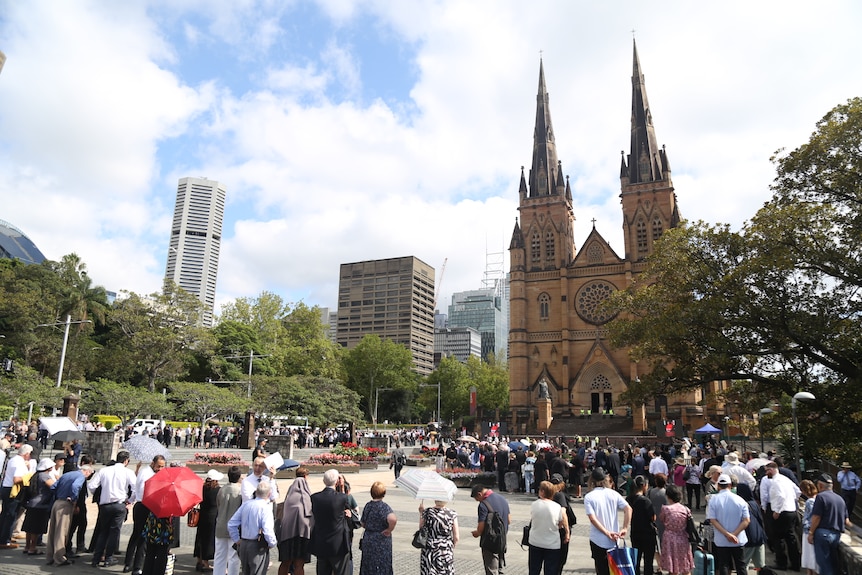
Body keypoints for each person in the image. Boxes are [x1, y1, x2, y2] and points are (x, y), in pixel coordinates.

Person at [87, 449, 137, 568]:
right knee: (114, 532)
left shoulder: (104, 470)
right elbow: (136, 488)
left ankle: (96, 558)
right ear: (126, 461)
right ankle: (109, 557)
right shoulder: (128, 472)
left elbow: (92, 485)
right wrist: (130, 501)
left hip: (105, 504)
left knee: (103, 531)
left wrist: (101, 495)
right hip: (119, 503)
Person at [584, 467, 631, 575]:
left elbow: (592, 519)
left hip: (598, 539)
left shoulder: (589, 497)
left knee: (601, 569)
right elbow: (628, 509)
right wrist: (624, 527)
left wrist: (606, 532)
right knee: (615, 571)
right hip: (614, 539)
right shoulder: (613, 493)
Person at [125, 455, 166, 575]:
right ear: (153, 463)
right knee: (142, 537)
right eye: (159, 466)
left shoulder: (147, 472)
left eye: (162, 467)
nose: (160, 469)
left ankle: (129, 563)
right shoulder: (147, 473)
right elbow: (144, 491)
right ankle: (137, 567)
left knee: (137, 535)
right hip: (144, 506)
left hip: (142, 505)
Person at [46, 464, 92, 566]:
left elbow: (53, 487)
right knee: (61, 532)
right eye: (89, 475)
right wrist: (74, 500)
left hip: (56, 502)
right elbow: (75, 486)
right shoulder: (80, 477)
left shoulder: (66, 475)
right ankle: (60, 558)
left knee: (53, 531)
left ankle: (50, 557)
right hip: (65, 504)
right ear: (87, 472)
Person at [228, 480, 277, 575]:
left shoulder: (246, 504)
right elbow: (267, 530)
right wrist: (272, 543)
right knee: (258, 571)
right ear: (269, 493)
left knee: (246, 571)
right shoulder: (265, 508)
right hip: (257, 545)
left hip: (244, 543)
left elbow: (231, 524)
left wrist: (237, 539)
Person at [808, 473, 852, 575]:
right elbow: (846, 521)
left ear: (820, 485)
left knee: (824, 565)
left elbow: (816, 517)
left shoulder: (820, 497)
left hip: (822, 534)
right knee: (833, 564)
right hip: (836, 535)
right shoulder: (840, 499)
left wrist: (811, 533)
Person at [706, 474, 750, 575]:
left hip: (721, 540)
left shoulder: (713, 500)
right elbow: (746, 520)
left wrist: (727, 534)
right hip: (738, 539)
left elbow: (712, 520)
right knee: (741, 565)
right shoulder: (740, 500)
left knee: (724, 565)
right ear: (730, 485)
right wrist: (734, 534)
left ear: (718, 486)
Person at [310, 469, 351, 575]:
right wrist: (342, 487)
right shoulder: (342, 497)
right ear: (337, 481)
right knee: (341, 571)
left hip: (321, 542)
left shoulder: (315, 497)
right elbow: (346, 503)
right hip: (338, 544)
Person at [764, 461, 802, 571]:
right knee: (791, 538)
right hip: (791, 510)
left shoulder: (776, 482)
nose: (766, 473)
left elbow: (780, 496)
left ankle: (781, 563)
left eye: (767, 471)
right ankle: (796, 563)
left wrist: (777, 511)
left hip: (782, 512)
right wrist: (792, 501)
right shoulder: (786, 479)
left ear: (771, 470)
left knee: (778, 538)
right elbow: (798, 491)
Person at [278, 467, 312, 575]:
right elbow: (310, 512)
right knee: (299, 564)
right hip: (302, 534)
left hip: (287, 534)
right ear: (306, 477)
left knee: (285, 562)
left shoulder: (291, 492)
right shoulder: (305, 493)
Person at [470, 485, 511, 575]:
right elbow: (509, 520)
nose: (478, 501)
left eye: (477, 499)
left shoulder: (483, 505)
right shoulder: (502, 499)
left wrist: (477, 533)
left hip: (490, 541)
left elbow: (481, 525)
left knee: (491, 569)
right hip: (502, 539)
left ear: (479, 494)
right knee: (500, 568)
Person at [359, 481, 397, 575]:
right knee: (382, 563)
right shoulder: (384, 507)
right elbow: (393, 519)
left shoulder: (368, 505)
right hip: (382, 539)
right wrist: (389, 530)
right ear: (383, 493)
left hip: (369, 538)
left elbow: (362, 523)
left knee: (368, 563)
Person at [0, 443, 34, 549]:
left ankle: (4, 536)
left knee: (5, 514)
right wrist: (29, 476)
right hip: (13, 490)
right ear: (27, 454)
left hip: (6, 487)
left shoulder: (13, 459)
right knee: (11, 515)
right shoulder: (20, 463)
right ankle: (5, 540)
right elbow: (16, 479)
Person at [22, 457, 57, 555]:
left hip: (31, 503)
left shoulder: (35, 475)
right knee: (35, 528)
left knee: (29, 528)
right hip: (40, 505)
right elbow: (53, 486)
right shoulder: (45, 476)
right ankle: (33, 548)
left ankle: (27, 546)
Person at [658, 485, 694, 575]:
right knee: (685, 565)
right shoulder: (686, 509)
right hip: (683, 537)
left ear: (668, 496)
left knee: (672, 566)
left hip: (669, 538)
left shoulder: (665, 509)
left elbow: (662, 520)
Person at [215, 466, 243, 575]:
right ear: (239, 477)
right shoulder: (240, 491)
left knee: (219, 555)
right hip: (234, 527)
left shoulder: (222, 489)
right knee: (233, 557)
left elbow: (218, 505)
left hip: (221, 524)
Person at [418, 498, 459, 575]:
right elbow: (456, 536)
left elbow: (421, 528)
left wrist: (421, 513)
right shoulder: (452, 514)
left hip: (430, 546)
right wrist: (453, 545)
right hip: (445, 547)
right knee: (445, 570)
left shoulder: (427, 512)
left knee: (429, 569)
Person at [627, 476, 657, 575]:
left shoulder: (629, 499)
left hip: (635, 532)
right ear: (644, 486)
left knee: (636, 560)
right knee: (648, 561)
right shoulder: (646, 501)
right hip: (648, 534)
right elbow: (653, 517)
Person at [195, 469, 223, 572]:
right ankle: (205, 563)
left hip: (202, 516)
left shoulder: (202, 488)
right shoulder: (218, 490)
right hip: (213, 517)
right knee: (209, 540)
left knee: (200, 538)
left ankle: (199, 560)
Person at [799, 479, 818, 575]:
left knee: (809, 558)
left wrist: (810, 531)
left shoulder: (809, 502)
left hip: (808, 531)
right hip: (813, 531)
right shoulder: (817, 499)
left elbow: (811, 518)